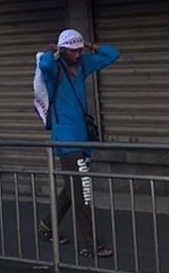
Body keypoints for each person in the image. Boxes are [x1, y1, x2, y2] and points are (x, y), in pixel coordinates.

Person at [36, 29, 121, 259]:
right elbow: (43, 64)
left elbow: (114, 54)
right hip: (66, 139)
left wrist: (91, 45)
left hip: (81, 136)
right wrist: (50, 49)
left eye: (79, 50)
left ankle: (47, 225)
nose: (77, 54)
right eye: (72, 51)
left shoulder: (83, 64)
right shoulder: (55, 68)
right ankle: (90, 244)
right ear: (63, 50)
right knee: (82, 189)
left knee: (72, 188)